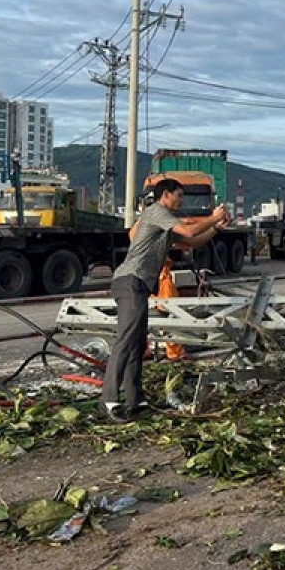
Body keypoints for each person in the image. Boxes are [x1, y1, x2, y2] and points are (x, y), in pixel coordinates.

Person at [101, 179, 228, 423]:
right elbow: (189, 231)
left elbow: (191, 242)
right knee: (126, 340)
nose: (181, 200)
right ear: (166, 195)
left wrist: (216, 228)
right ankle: (109, 400)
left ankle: (135, 399)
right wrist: (214, 217)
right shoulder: (157, 211)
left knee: (137, 343)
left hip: (139, 284)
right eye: (178, 195)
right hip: (130, 280)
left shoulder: (164, 224)